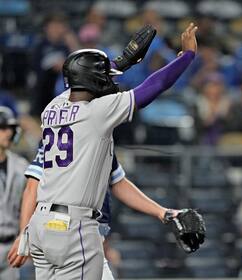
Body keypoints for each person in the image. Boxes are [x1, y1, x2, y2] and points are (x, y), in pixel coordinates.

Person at [26, 23, 198, 279]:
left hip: (41, 226)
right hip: (74, 227)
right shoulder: (98, 113)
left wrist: (122, 62)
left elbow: (87, 83)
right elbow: (155, 85)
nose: (109, 80)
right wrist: (187, 57)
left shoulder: (53, 107)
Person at [7, 140, 177, 280]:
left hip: (74, 232)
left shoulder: (97, 136)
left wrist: (161, 212)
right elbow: (32, 188)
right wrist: (24, 234)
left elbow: (118, 182)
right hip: (69, 230)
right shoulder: (66, 135)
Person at [0, 106, 28, 280]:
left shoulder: (21, 166)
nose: (8, 133)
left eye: (10, 128)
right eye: (3, 128)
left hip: (11, 245)